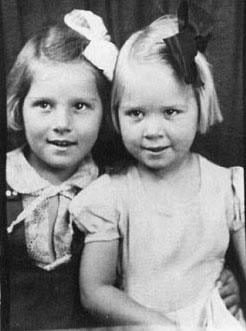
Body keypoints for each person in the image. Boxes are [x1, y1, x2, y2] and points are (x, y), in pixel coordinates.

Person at [69, 8, 246, 331]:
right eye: (136, 113)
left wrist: (232, 287)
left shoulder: (228, 187)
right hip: (143, 323)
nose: (152, 130)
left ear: (199, 107)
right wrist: (159, 324)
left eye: (171, 112)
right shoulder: (112, 194)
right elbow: (93, 292)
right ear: (116, 115)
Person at [6, 10, 118, 330]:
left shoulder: (115, 185)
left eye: (80, 106)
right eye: (44, 105)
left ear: (104, 113)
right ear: (19, 107)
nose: (62, 125)